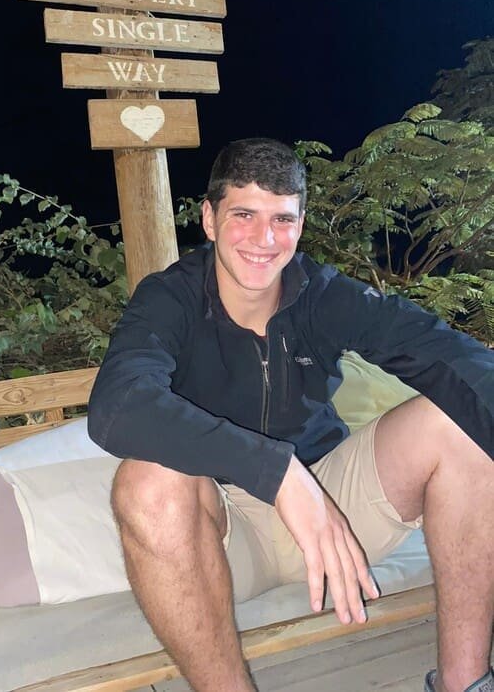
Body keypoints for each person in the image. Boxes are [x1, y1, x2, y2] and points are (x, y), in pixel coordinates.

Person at [87, 138, 493, 692]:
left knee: (457, 423)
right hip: (227, 535)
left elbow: (441, 352)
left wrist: (304, 482)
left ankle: (465, 684)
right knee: (145, 483)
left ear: (300, 225)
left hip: (335, 510)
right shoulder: (170, 299)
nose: (264, 239)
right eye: (244, 215)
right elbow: (117, 406)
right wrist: (275, 471)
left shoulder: (320, 293)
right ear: (208, 219)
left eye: (282, 219)